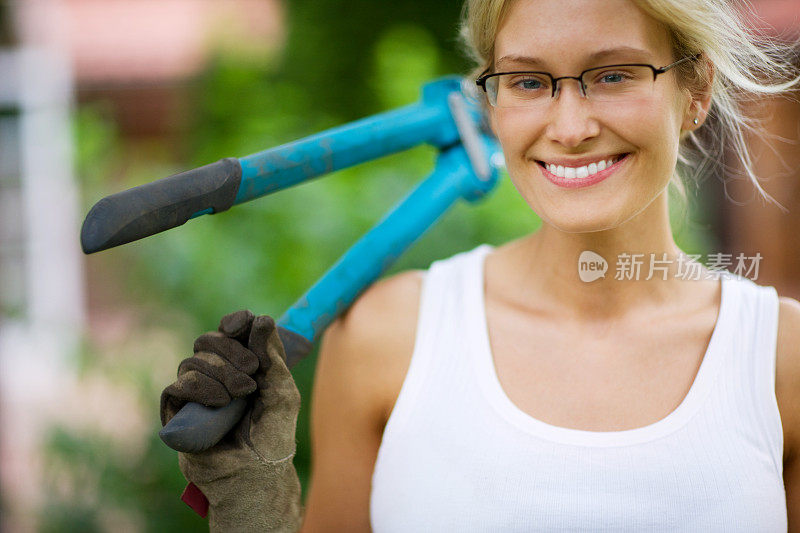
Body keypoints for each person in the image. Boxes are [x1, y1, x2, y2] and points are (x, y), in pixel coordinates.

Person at [160, 0, 800, 530]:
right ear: (492, 105)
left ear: (696, 91)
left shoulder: (782, 357)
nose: (570, 127)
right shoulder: (388, 336)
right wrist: (256, 516)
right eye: (527, 81)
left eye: (614, 75)